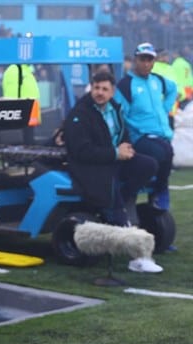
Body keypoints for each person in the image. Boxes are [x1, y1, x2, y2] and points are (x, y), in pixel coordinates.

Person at [63, 71, 163, 273]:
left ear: (112, 91)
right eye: (96, 88)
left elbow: (122, 134)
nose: (99, 93)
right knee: (110, 187)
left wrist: (126, 148)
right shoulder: (79, 114)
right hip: (90, 166)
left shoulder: (115, 109)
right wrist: (116, 153)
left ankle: (122, 200)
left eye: (104, 89)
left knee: (149, 164)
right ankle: (136, 256)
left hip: (112, 160)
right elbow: (81, 151)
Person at [115, 42, 177, 212]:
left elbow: (173, 89)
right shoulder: (126, 85)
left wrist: (165, 110)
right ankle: (159, 192)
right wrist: (130, 130)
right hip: (140, 136)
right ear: (136, 59)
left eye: (150, 60)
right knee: (165, 153)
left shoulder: (157, 80)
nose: (147, 64)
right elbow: (120, 114)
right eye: (143, 59)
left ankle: (146, 197)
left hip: (161, 134)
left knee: (161, 157)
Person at [2, 63, 41, 144]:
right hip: (21, 114)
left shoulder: (26, 70)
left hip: (27, 114)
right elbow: (12, 94)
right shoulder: (15, 70)